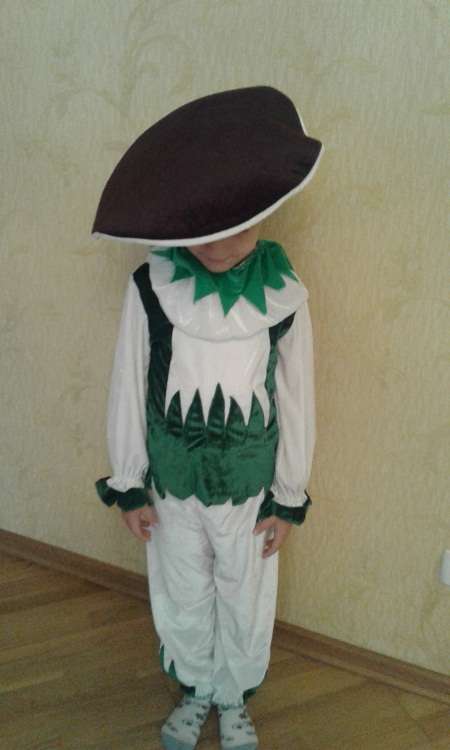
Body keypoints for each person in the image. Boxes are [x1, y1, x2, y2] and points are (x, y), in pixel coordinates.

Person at [93, 86, 323, 750]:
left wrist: (288, 495)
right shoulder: (151, 288)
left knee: (244, 590)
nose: (220, 244)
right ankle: (197, 688)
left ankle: (233, 694)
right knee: (183, 586)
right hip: (171, 483)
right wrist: (130, 481)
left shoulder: (284, 297)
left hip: (248, 486)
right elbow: (128, 382)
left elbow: (297, 396)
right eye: (204, 226)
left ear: (267, 211)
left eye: (239, 224)